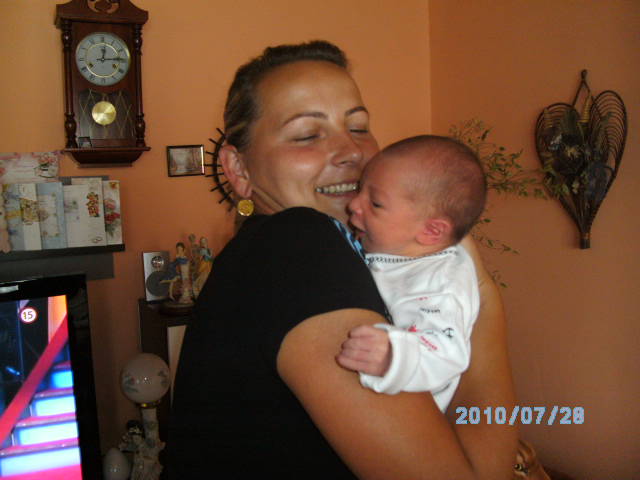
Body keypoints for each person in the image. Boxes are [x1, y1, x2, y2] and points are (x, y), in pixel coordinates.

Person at [167, 40, 517, 479]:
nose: (352, 150)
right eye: (307, 135)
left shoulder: (328, 251)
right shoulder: (297, 243)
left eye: (359, 126)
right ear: (238, 169)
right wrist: (481, 290)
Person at [336, 135, 486, 412]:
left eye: (375, 203)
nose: (354, 205)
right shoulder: (395, 249)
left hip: (408, 415)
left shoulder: (440, 285)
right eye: (360, 190)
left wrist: (393, 356)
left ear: (431, 231)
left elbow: (447, 354)